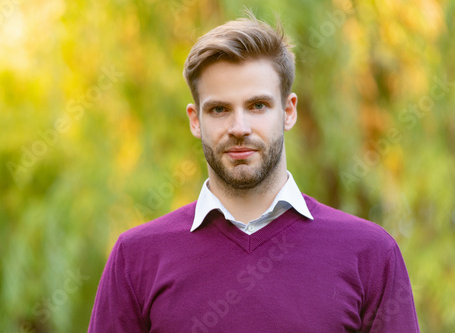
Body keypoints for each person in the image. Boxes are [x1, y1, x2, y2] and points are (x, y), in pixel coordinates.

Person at [88, 12, 419, 333]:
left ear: (288, 112)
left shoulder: (371, 254)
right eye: (219, 109)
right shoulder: (136, 259)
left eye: (257, 106)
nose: (239, 128)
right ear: (194, 120)